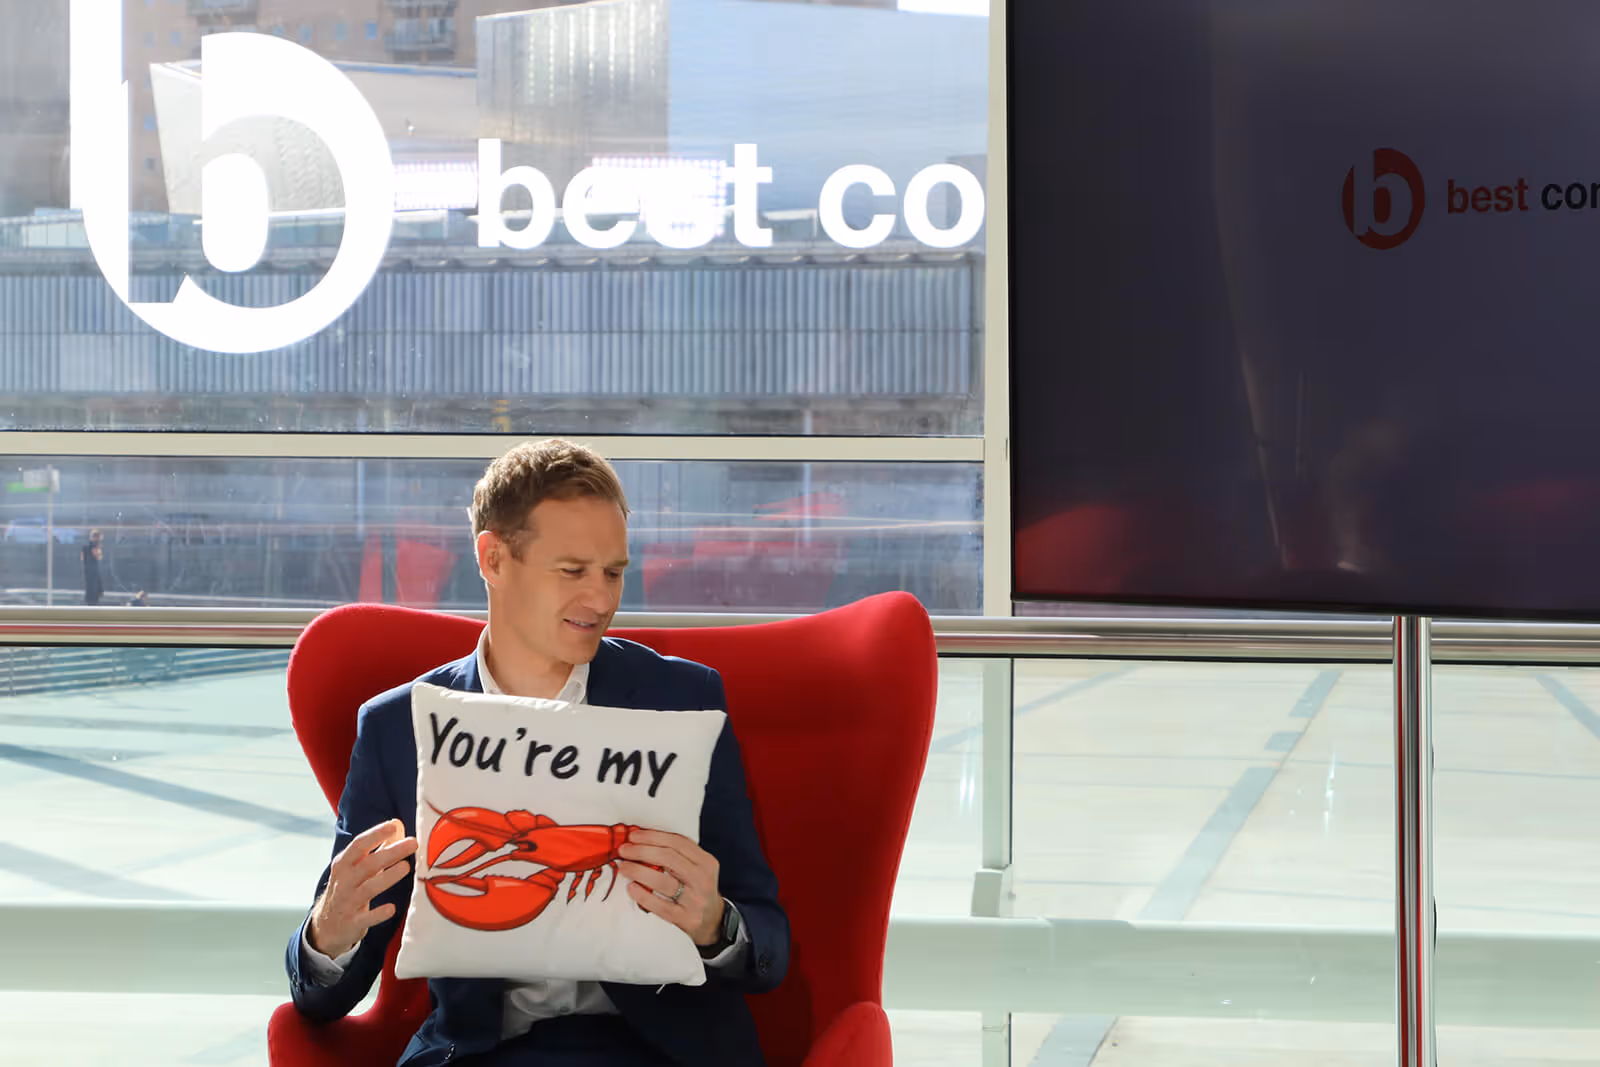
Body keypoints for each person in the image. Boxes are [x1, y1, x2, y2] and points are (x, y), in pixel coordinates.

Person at [285, 440, 788, 1066]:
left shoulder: (683, 700)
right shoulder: (397, 729)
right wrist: (329, 931)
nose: (602, 600)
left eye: (614, 572)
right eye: (573, 571)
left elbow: (769, 945)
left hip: (660, 1051)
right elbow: (322, 1002)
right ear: (494, 558)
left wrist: (717, 924)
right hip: (479, 1054)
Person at [81, 529, 103, 606]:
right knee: (93, 594)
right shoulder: (92, 546)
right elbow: (98, 556)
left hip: (89, 574)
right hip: (93, 575)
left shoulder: (85, 547)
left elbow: (82, 558)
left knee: (90, 593)